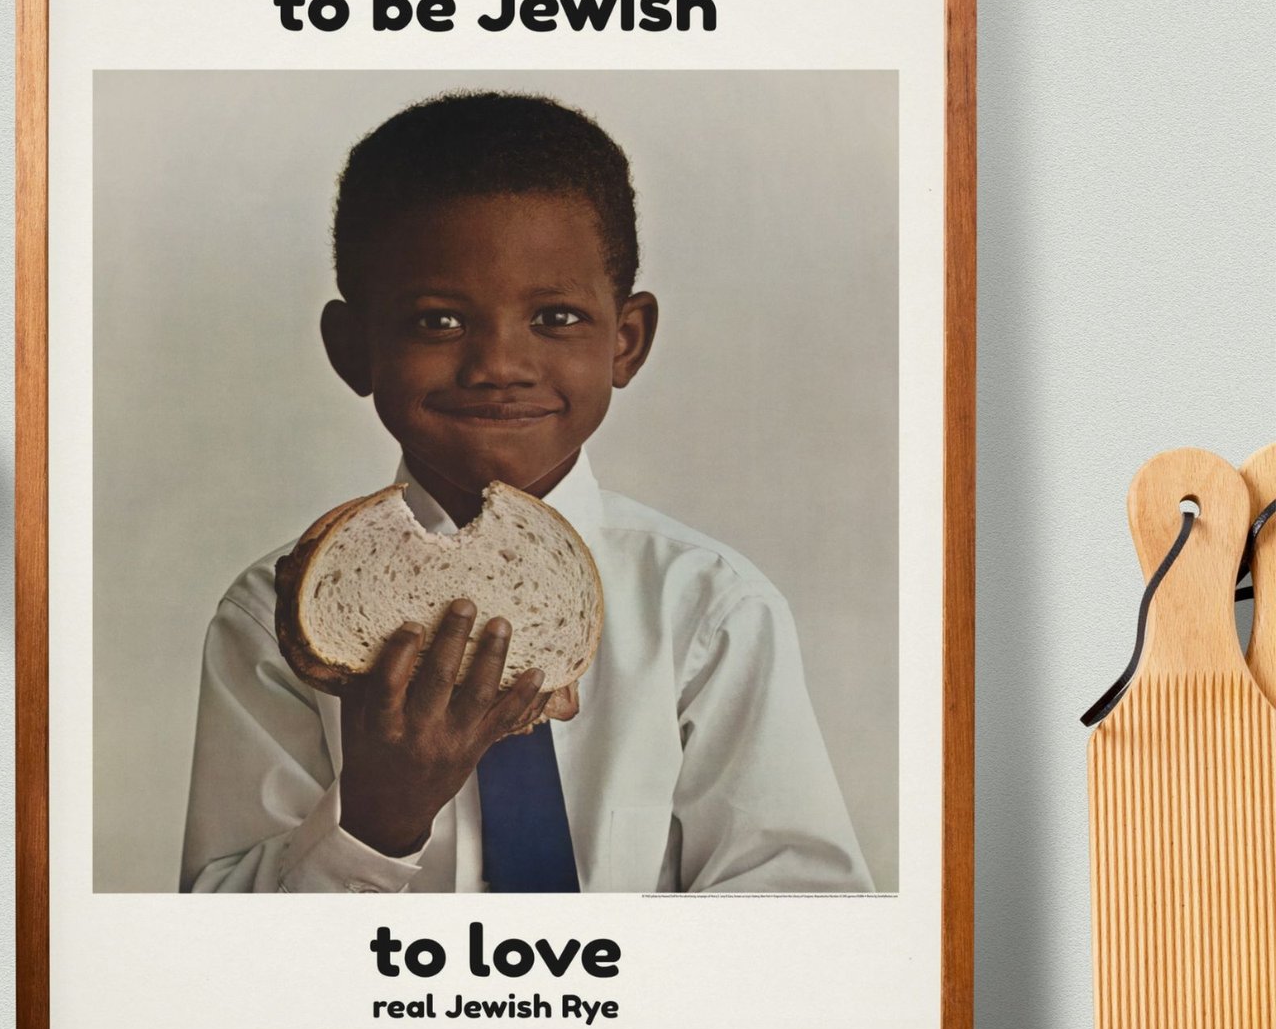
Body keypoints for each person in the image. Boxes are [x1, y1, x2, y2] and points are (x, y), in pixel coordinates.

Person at [180, 91, 873, 894]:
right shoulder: (278, 618)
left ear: (627, 340)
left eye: (556, 317)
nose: (498, 366)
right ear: (352, 348)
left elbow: (800, 908)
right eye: (438, 321)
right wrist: (374, 819)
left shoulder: (709, 610)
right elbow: (216, 933)